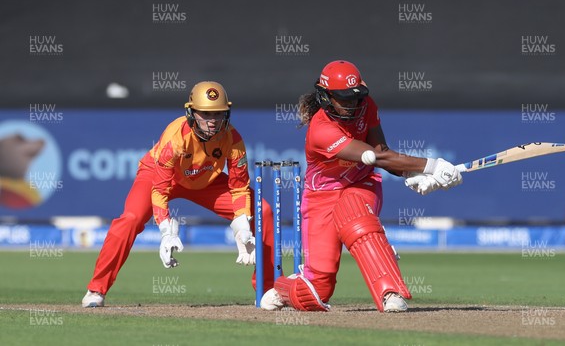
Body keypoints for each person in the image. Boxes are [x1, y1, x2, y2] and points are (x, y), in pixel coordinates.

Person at [260, 60, 462, 312]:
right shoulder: (321, 129)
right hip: (320, 197)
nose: (351, 105)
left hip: (361, 182)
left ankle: (390, 292)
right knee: (318, 290)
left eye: (355, 98)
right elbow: (376, 157)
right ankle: (285, 289)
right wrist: (429, 166)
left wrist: (409, 173)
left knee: (355, 215)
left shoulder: (366, 106)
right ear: (325, 97)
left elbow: (381, 152)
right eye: (343, 99)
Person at [82, 81, 275, 307]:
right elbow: (160, 189)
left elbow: (239, 186)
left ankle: (266, 289)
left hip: (205, 180)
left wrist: (243, 224)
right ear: (191, 112)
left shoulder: (233, 138)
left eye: (218, 114)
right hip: (164, 177)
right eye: (205, 114)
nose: (213, 121)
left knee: (264, 211)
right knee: (130, 219)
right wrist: (165, 230)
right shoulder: (175, 137)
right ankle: (96, 289)